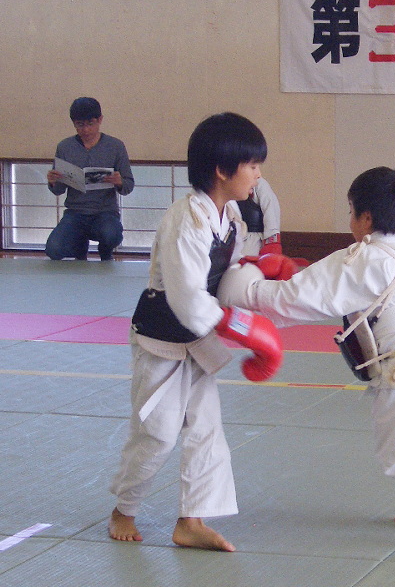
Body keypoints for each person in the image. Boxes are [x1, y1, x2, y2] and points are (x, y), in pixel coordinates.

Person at [218, 166, 395, 534]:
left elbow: (288, 300)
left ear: (365, 217)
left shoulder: (356, 261)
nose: (350, 221)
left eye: (351, 211)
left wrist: (244, 280)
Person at [108, 112, 283, 551]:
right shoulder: (186, 219)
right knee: (160, 431)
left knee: (206, 427)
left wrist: (263, 278)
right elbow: (186, 296)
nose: (258, 175)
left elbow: (225, 279)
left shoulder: (231, 218)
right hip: (162, 336)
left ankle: (192, 520)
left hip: (197, 338)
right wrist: (240, 326)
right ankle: (123, 508)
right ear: (223, 170)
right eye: (253, 166)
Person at [45, 97, 135, 261]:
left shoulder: (115, 146)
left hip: (105, 212)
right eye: (80, 125)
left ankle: (105, 251)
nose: (86, 130)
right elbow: (58, 191)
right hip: (75, 213)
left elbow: (129, 185)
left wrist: (119, 182)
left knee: (111, 235)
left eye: (90, 123)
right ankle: (80, 247)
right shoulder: (65, 147)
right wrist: (53, 180)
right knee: (54, 249)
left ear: (100, 120)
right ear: (74, 123)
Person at [237, 177, 282, 256]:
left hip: (255, 240)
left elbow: (270, 212)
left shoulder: (259, 184)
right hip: (233, 239)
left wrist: (271, 244)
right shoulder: (226, 185)